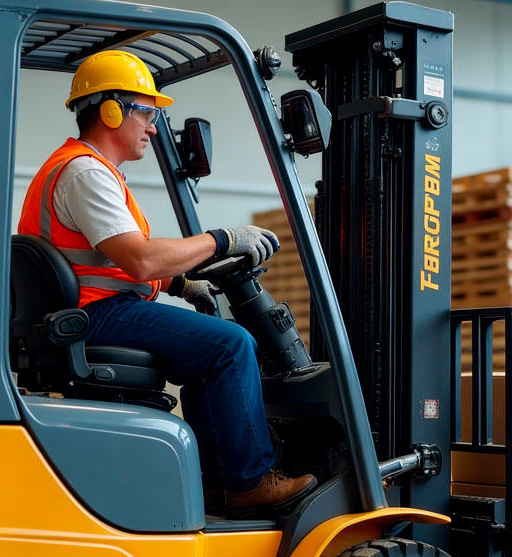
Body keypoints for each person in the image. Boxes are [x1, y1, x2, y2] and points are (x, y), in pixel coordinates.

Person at [17, 50, 317, 517]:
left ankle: (216, 484)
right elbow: (139, 260)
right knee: (232, 344)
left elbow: (116, 258)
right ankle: (251, 481)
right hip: (98, 313)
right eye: (148, 112)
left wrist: (180, 284)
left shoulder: (85, 169)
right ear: (112, 109)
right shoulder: (86, 172)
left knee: (206, 355)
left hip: (90, 310)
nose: (153, 127)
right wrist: (222, 240)